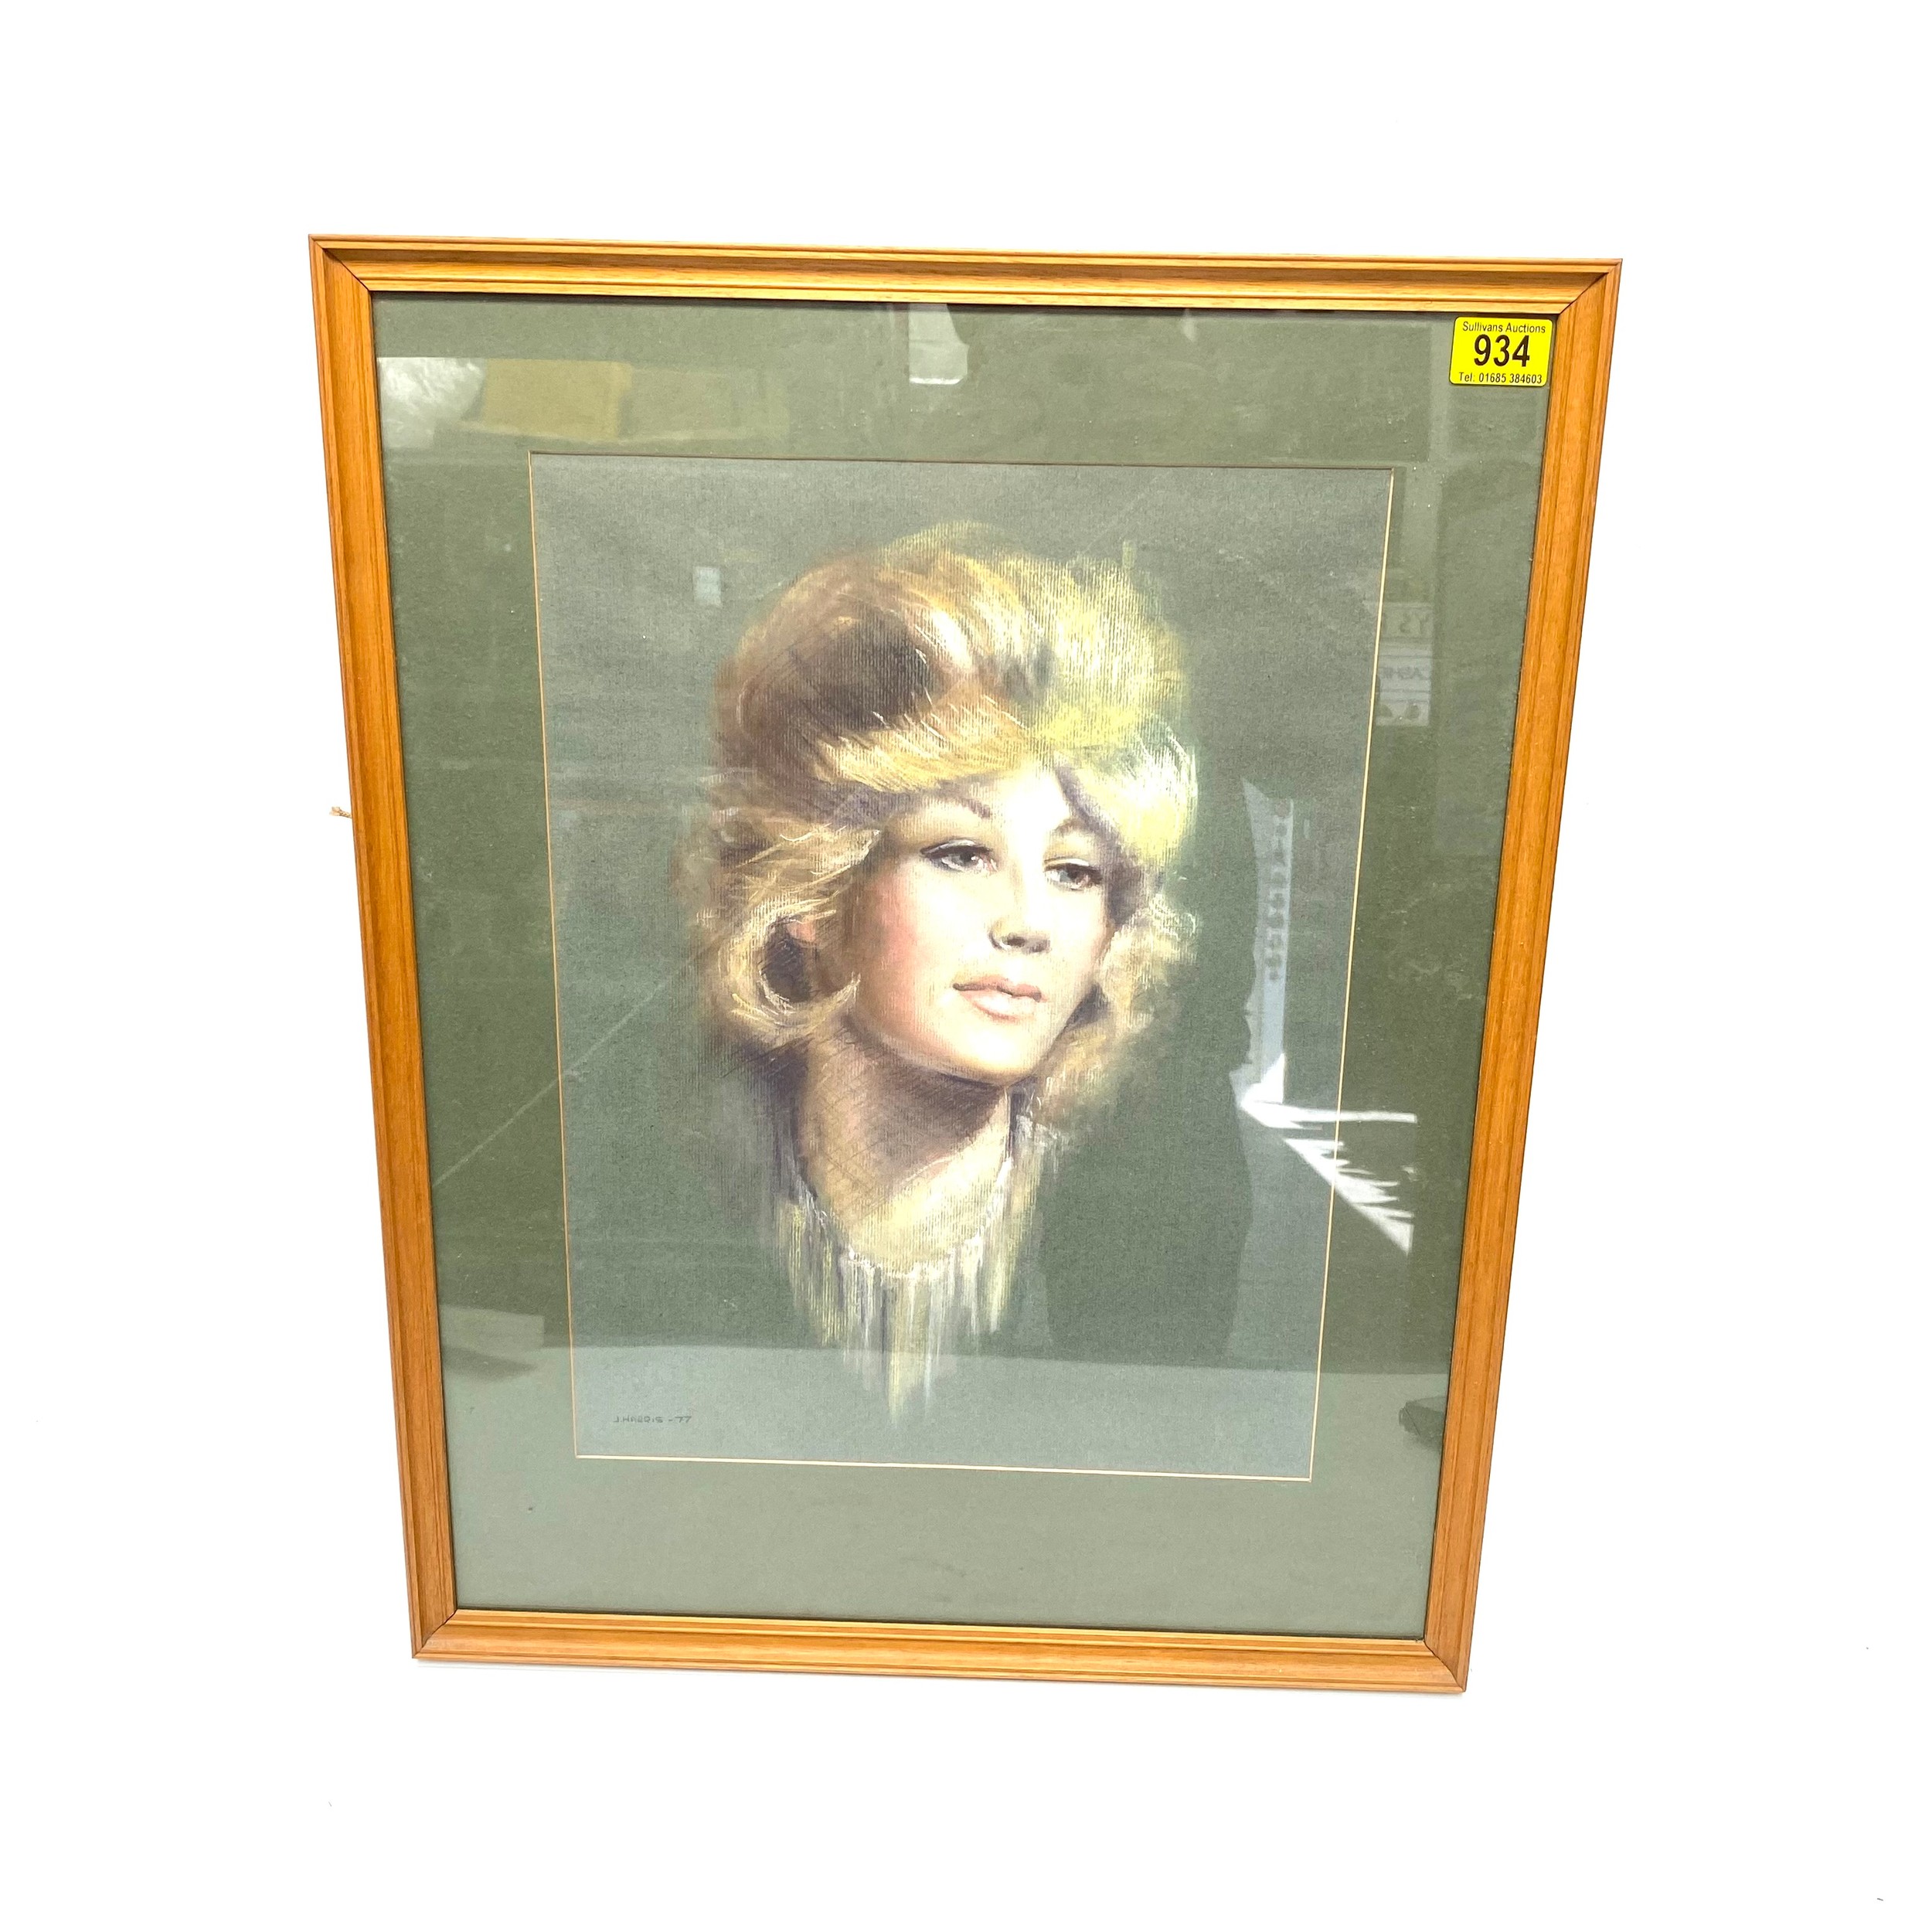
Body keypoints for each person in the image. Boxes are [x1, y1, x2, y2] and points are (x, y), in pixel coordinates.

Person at [686, 527, 1199, 1407]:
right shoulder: (683, 1205)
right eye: (961, 853)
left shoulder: (1142, 1232)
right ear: (812, 893)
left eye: (1075, 872)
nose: (1028, 923)